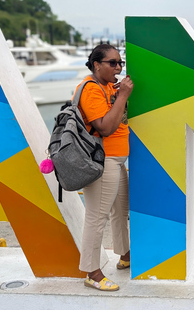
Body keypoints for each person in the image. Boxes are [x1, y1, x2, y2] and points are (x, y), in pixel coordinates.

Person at [77, 44, 133, 291]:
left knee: (120, 211)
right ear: (97, 64)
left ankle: (125, 255)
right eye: (112, 63)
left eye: (120, 63)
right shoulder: (90, 89)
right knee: (96, 217)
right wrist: (122, 97)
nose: (118, 67)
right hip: (102, 160)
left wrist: (119, 93)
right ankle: (92, 272)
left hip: (117, 159)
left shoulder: (109, 86)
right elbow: (105, 128)